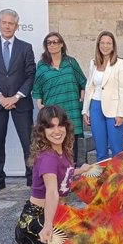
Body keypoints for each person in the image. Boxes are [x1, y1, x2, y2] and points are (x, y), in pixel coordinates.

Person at [0, 105, 90, 244]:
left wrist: (81, 170)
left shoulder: (62, 150)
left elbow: (65, 173)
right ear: (42, 131)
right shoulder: (48, 158)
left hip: (57, 212)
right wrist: (47, 226)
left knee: (88, 238)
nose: (57, 131)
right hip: (37, 218)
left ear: (66, 127)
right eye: (50, 127)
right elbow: (52, 193)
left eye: (60, 125)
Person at [0, 8, 36, 194]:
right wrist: (1, 97)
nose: (7, 26)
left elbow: (30, 75)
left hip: (21, 102)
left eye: (11, 23)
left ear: (16, 26)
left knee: (28, 143)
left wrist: (16, 96)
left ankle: (32, 179)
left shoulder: (26, 47)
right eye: (4, 22)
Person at [32, 32, 87, 165]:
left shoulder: (70, 62)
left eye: (55, 41)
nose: (52, 44)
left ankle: (71, 179)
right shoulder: (42, 65)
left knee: (71, 147)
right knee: (54, 147)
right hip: (53, 112)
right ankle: (56, 176)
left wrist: (83, 94)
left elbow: (83, 81)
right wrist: (39, 103)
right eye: (49, 42)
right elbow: (37, 87)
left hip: (71, 109)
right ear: (46, 46)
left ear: (61, 44)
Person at [82, 31, 123, 161]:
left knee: (117, 149)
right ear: (98, 45)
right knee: (100, 149)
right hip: (96, 107)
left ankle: (119, 179)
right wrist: (85, 110)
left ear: (113, 45)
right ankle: (103, 179)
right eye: (102, 43)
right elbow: (89, 87)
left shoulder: (120, 63)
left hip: (114, 109)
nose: (105, 46)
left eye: (108, 43)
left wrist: (121, 113)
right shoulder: (93, 63)